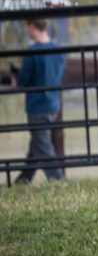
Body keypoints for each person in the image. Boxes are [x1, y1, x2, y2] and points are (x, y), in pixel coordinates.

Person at [13, 18, 66, 184]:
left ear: (31, 26)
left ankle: (57, 180)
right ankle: (23, 181)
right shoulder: (58, 50)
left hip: (37, 106)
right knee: (37, 145)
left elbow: (24, 80)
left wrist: (16, 81)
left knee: (43, 147)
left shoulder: (32, 51)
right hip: (53, 105)